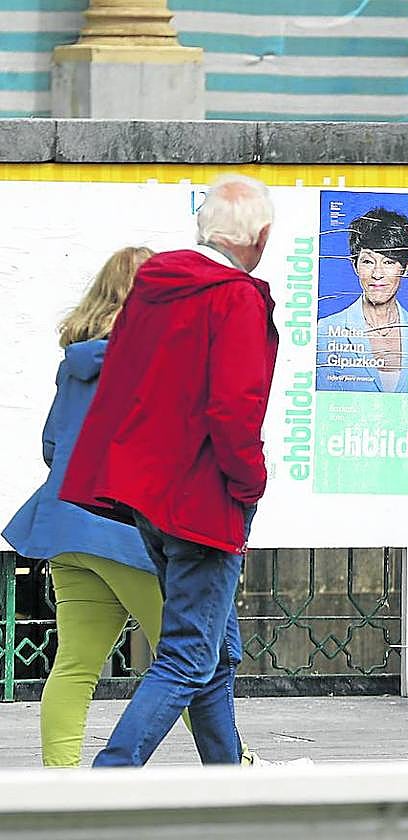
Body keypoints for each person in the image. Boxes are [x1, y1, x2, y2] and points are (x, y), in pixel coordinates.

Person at [60, 173, 279, 767]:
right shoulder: (235, 296)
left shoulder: (153, 287)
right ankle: (112, 775)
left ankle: (226, 781)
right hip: (205, 498)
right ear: (259, 236)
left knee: (212, 653)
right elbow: (234, 408)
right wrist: (250, 483)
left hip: (149, 495)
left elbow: (124, 388)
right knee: (188, 654)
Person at [2, 247, 163, 766]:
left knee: (73, 666)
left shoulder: (74, 364)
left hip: (65, 526)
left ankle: (61, 781)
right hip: (124, 531)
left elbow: (52, 446)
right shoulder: (150, 362)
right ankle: (235, 765)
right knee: (187, 664)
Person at [316, 207, 408, 393]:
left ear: (407, 266)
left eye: (388, 262)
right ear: (355, 265)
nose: (377, 274)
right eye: (368, 261)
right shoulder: (326, 330)